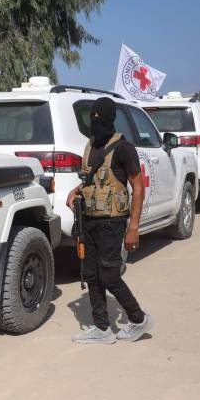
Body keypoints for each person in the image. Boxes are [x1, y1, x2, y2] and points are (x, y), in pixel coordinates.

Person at [67, 97, 153, 344]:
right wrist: (75, 191)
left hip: (112, 223)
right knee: (91, 275)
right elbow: (91, 180)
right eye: (92, 119)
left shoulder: (123, 148)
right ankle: (102, 328)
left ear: (110, 120)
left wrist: (133, 228)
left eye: (100, 119)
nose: (96, 124)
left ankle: (138, 319)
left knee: (109, 276)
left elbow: (137, 187)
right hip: (89, 220)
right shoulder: (90, 146)